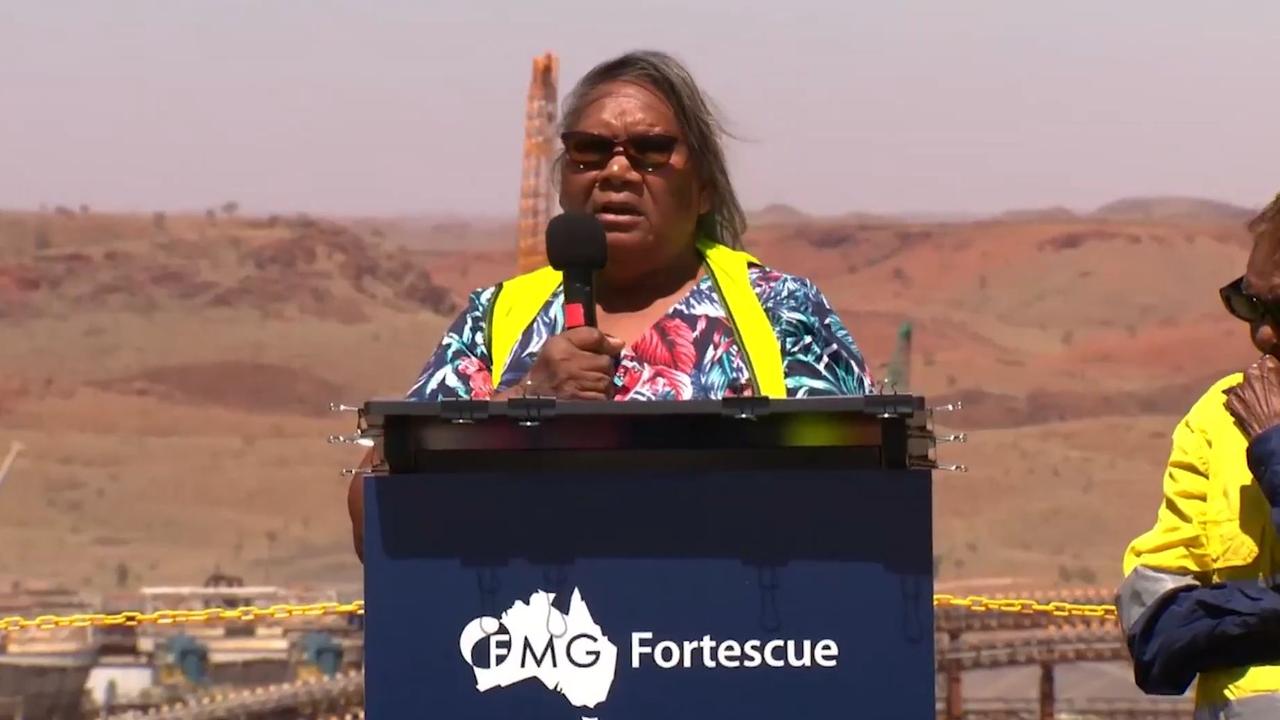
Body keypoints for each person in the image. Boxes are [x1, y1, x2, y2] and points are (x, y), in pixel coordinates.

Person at [345, 50, 873, 559]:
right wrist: (520, 406)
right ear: (563, 181)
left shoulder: (780, 310)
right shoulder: (498, 317)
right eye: (590, 151)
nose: (616, 172)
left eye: (650, 151)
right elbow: (376, 517)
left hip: (730, 642)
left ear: (705, 187)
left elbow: (871, 501)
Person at [1118, 194, 1280, 718]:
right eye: (1248, 303)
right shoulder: (1220, 415)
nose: (1262, 335)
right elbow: (1154, 629)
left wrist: (1275, 446)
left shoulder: (1263, 432)